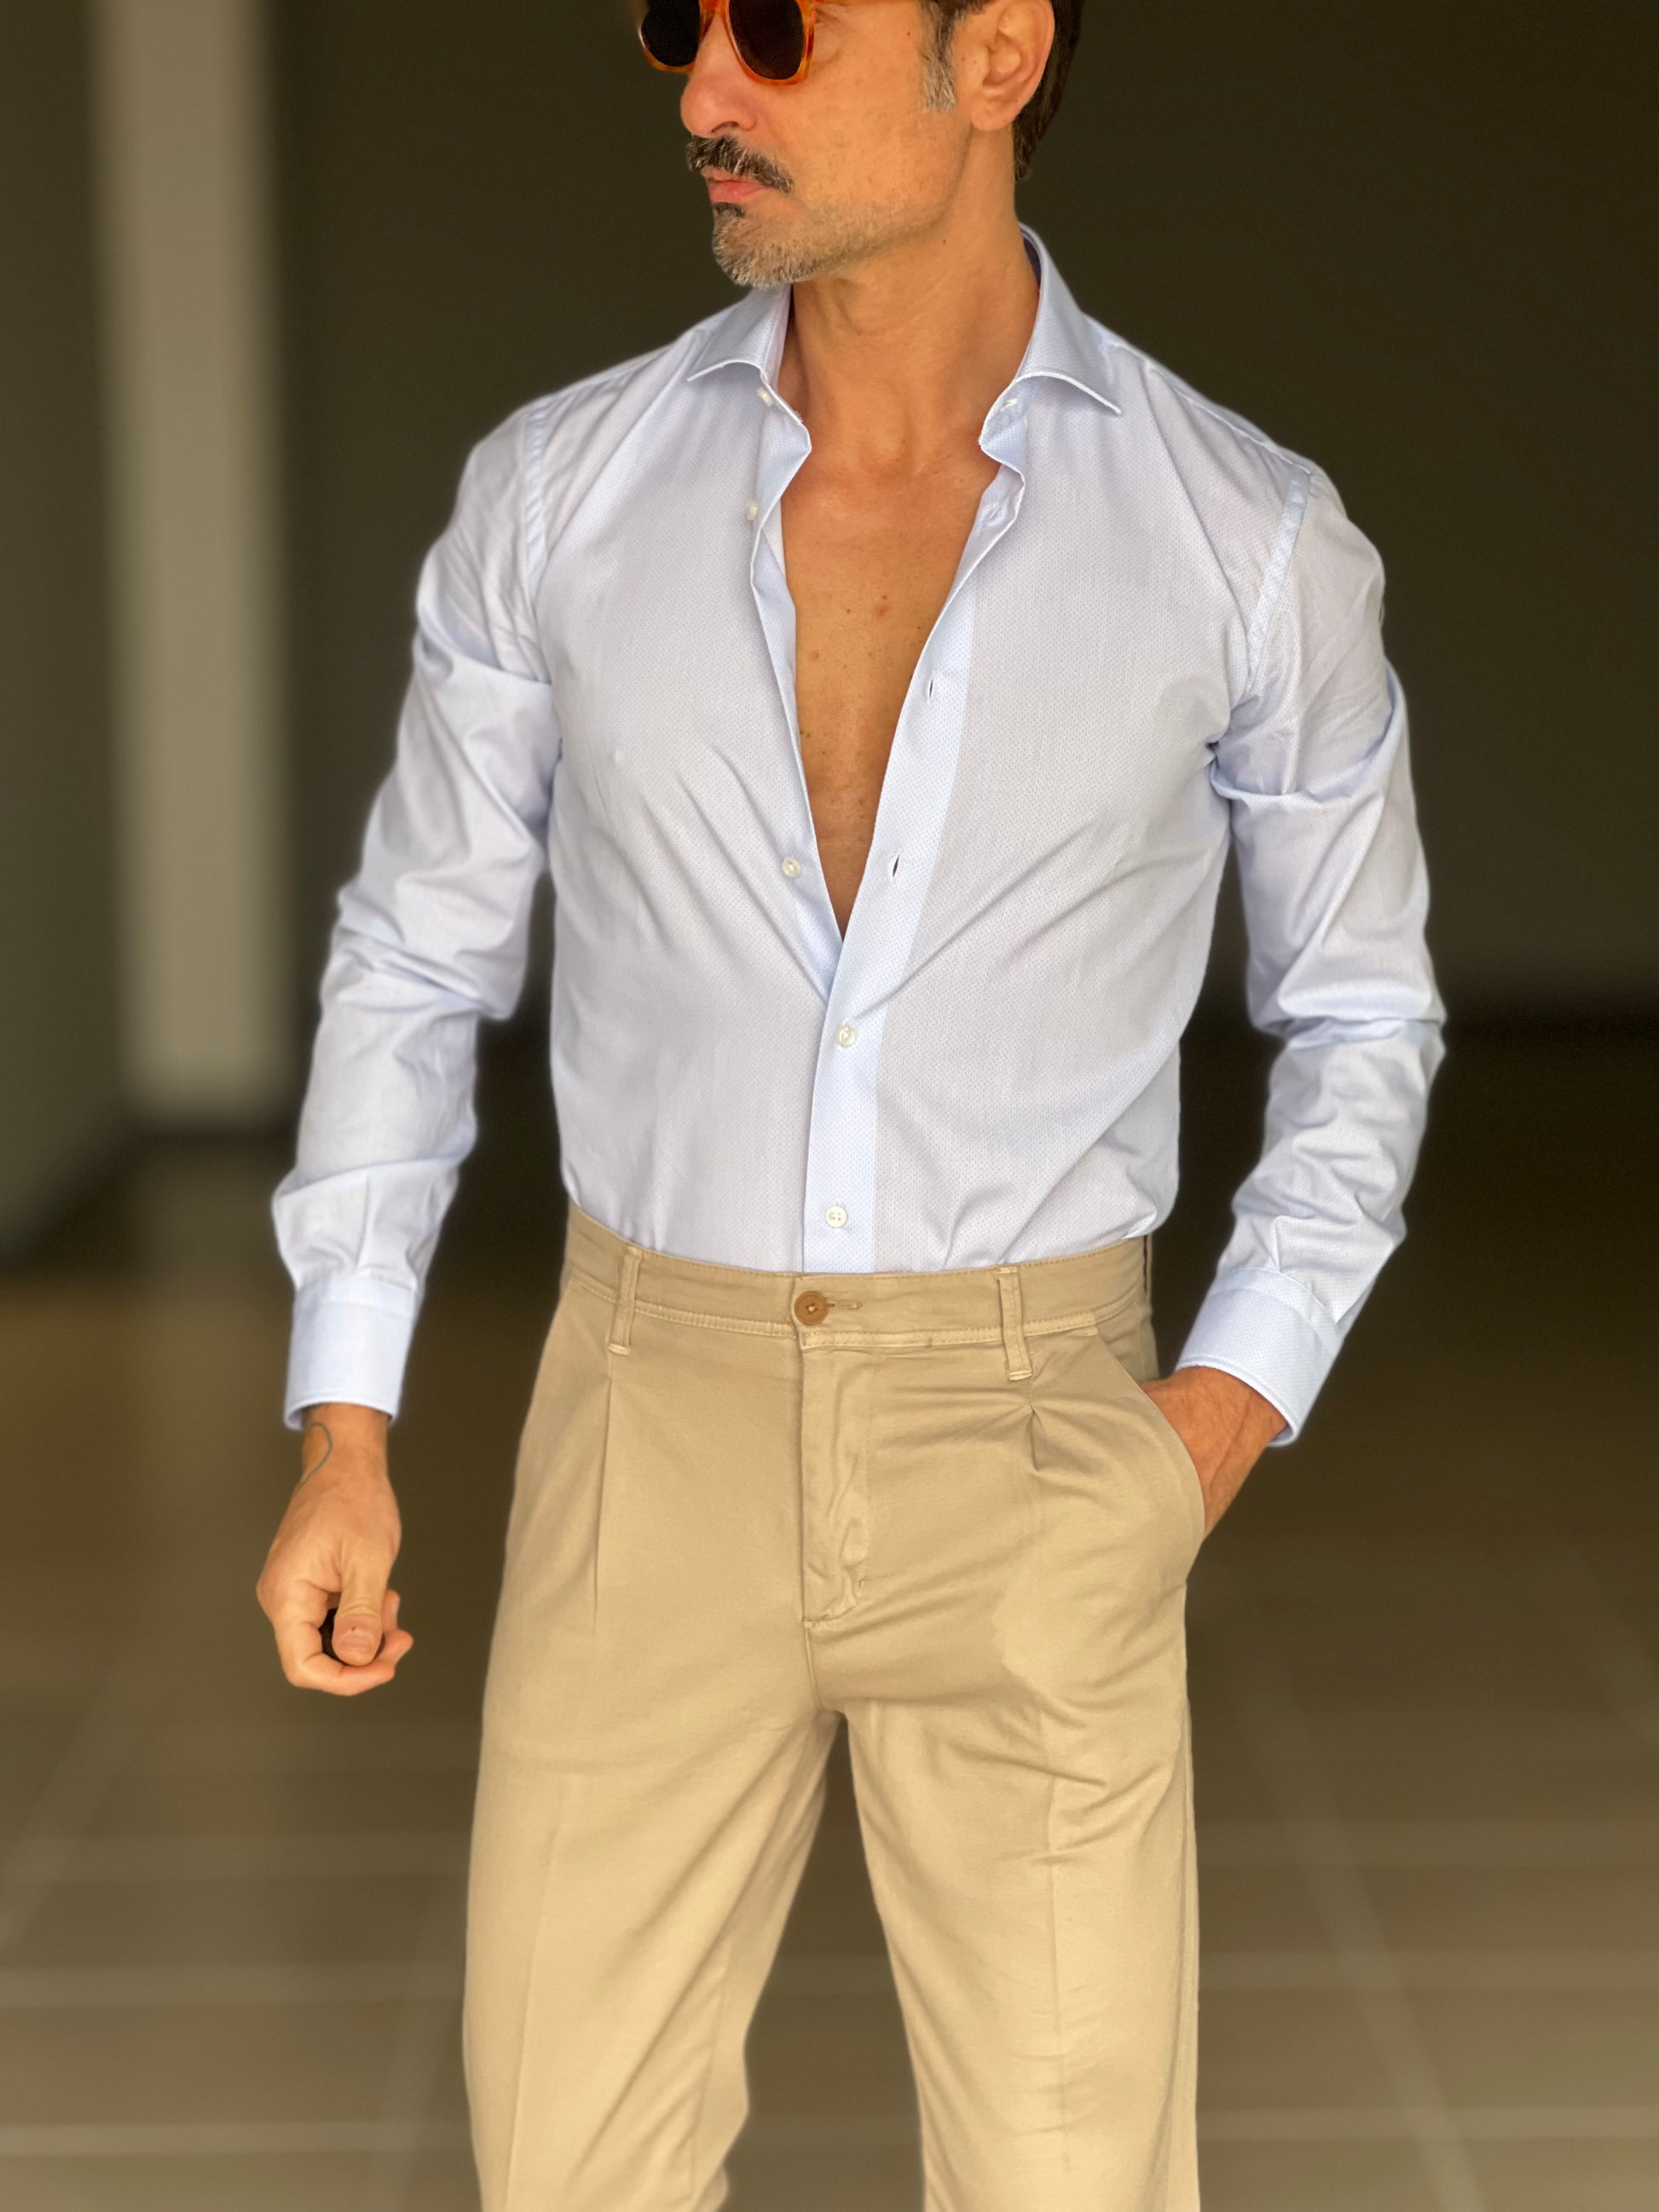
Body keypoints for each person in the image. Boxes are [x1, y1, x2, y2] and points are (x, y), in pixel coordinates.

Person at [257, 1, 1443, 2203]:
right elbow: (415, 951)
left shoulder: (1245, 539)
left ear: (995, 53)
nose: (706, 90)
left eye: (783, 27)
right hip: (644, 1426)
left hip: (1036, 1430)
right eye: (676, 21)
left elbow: (1363, 1016)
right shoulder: (560, 492)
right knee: (570, 2173)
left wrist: (1198, 1437)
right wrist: (348, 1423)